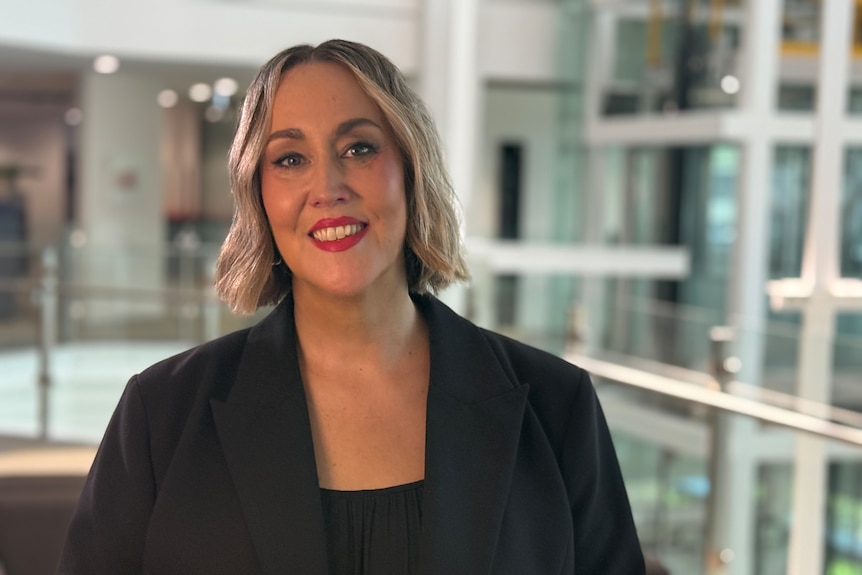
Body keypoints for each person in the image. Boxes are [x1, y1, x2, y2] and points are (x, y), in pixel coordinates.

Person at [59, 39, 645, 574]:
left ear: (411, 171)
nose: (328, 186)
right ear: (257, 193)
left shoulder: (557, 407)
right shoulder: (160, 415)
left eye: (359, 148)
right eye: (289, 159)